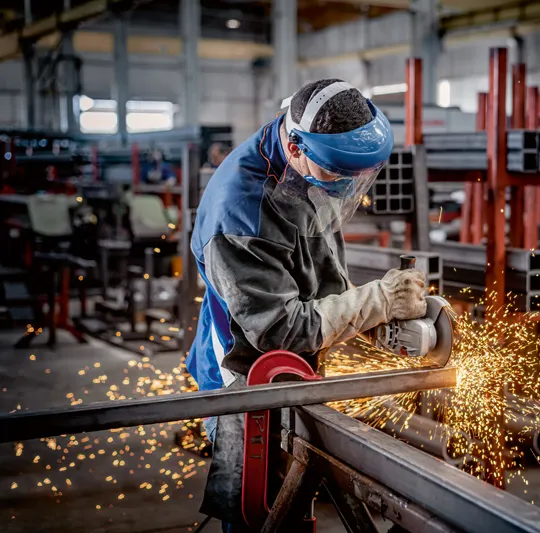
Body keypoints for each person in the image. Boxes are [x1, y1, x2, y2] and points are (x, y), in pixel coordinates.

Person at [186, 79, 427, 530]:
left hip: (296, 366)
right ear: (295, 147)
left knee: (297, 494)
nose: (345, 188)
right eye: (337, 175)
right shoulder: (239, 215)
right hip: (245, 372)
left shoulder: (304, 163)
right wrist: (376, 301)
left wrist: (363, 313)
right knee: (257, 509)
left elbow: (319, 262)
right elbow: (280, 331)